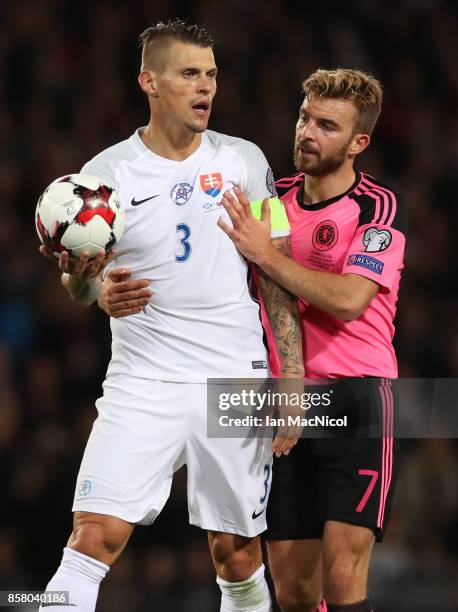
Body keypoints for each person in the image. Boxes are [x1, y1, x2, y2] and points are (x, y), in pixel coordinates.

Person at [38, 19, 304, 612]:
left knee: (235, 552)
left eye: (211, 74)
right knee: (90, 540)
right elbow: (80, 283)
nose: (205, 86)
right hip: (143, 380)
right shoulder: (107, 175)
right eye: (189, 74)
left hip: (235, 376)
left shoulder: (244, 160)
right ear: (149, 82)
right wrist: (92, 288)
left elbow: (277, 274)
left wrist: (291, 374)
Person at [218, 68, 407, 612]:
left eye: (327, 125)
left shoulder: (377, 209)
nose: (307, 131)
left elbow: (350, 299)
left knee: (344, 578)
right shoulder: (267, 201)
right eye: (305, 116)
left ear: (358, 143)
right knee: (296, 590)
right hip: (281, 405)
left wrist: (268, 254)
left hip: (356, 399)